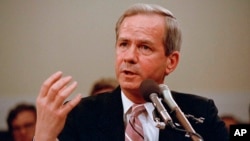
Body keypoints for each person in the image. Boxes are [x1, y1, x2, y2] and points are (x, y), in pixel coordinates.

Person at [34, 3, 229, 141]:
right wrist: (42, 137)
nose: (129, 57)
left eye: (145, 47)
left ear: (171, 61)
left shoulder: (200, 113)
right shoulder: (79, 116)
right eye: (124, 44)